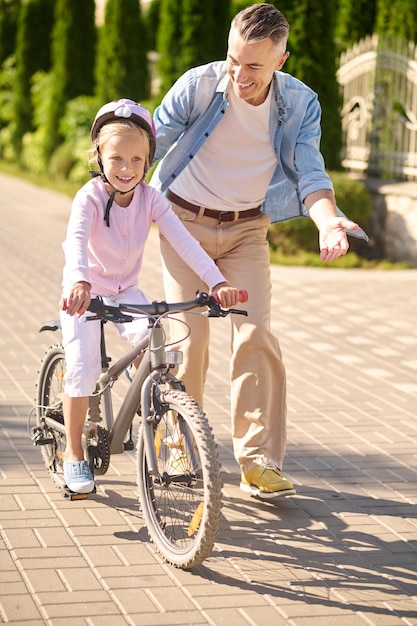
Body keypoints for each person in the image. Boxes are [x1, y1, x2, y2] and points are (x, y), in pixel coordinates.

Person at [150, 3, 368, 500]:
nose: (239, 74)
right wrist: (109, 196)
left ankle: (258, 461)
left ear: (280, 61)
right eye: (233, 59)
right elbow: (150, 141)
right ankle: (179, 443)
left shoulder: (299, 103)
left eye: (253, 66)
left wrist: (328, 220)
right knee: (191, 338)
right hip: (183, 224)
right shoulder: (200, 85)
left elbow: (310, 171)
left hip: (247, 230)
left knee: (255, 336)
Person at [60, 98, 241, 494]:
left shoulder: (151, 199)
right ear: (98, 157)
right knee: (83, 367)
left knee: (159, 349)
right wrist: (79, 282)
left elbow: (187, 243)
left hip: (127, 292)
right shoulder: (88, 198)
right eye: (117, 159)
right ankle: (74, 453)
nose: (127, 169)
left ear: (148, 162)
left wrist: (217, 283)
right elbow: (74, 242)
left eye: (137, 161)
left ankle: (167, 438)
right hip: (86, 294)